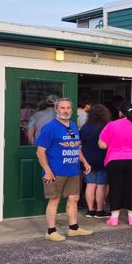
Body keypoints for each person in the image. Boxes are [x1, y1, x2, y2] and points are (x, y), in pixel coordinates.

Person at [35, 97, 93, 242]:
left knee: (74, 198)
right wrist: (47, 171)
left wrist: (84, 161)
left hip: (72, 170)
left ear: (71, 110)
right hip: (55, 171)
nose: (65, 111)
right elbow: (40, 151)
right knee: (54, 200)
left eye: (68, 108)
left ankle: (73, 229)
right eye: (62, 108)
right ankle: (50, 231)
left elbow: (75, 146)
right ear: (56, 110)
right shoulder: (50, 127)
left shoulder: (73, 125)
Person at [99, 102, 132, 227]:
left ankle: (114, 218)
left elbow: (102, 145)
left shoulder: (111, 125)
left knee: (115, 188)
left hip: (115, 160)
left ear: (120, 112)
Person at [80, 104, 111, 219]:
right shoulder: (107, 126)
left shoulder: (85, 127)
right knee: (101, 185)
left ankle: (90, 210)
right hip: (103, 158)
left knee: (90, 184)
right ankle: (99, 210)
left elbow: (79, 144)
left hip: (87, 159)